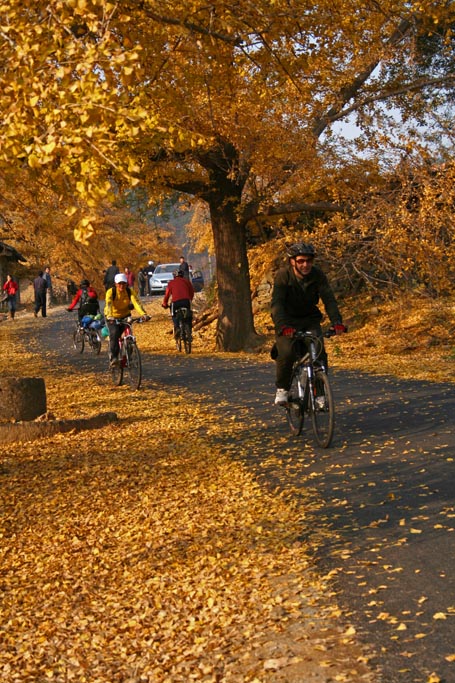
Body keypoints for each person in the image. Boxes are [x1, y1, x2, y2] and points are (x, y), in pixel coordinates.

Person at [270, 242, 347, 406]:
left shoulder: (317, 275)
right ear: (292, 261)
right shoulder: (284, 275)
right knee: (287, 352)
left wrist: (337, 322)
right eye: (301, 261)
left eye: (309, 261)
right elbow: (277, 303)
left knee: (319, 353)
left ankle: (319, 393)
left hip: (309, 319)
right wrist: (282, 326)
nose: (306, 265)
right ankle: (282, 389)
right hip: (288, 321)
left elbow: (329, 299)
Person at [104, 273, 150, 367]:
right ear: (115, 284)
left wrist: (143, 314)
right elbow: (108, 304)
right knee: (115, 334)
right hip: (113, 317)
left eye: (124, 283)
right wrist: (109, 316)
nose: (122, 286)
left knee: (129, 335)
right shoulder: (111, 292)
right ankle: (114, 358)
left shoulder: (129, 291)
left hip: (125, 315)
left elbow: (136, 303)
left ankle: (129, 356)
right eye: (119, 283)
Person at [162, 269, 195, 337]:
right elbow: (192, 292)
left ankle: (177, 328)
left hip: (176, 302)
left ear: (174, 276)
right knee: (189, 315)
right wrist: (189, 300)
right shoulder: (187, 281)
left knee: (173, 314)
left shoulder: (171, 283)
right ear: (182, 275)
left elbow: (167, 295)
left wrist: (165, 303)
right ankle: (189, 331)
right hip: (186, 301)